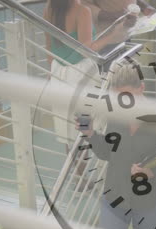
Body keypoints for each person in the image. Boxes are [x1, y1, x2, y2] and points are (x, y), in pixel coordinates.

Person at [76, 60, 156, 229]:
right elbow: (109, 152)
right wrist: (91, 134)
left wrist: (151, 173)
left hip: (149, 202)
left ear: (141, 88)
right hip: (115, 196)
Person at [43, 0, 128, 148]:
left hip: (58, 71)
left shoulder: (50, 7)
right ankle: (83, 167)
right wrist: (112, 35)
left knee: (68, 129)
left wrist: (51, 73)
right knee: (84, 127)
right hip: (81, 74)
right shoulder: (81, 10)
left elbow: (49, 46)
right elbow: (86, 49)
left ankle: (73, 168)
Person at [83, 0, 156, 34]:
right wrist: (116, 16)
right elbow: (83, 6)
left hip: (126, 33)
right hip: (105, 37)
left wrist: (144, 6)